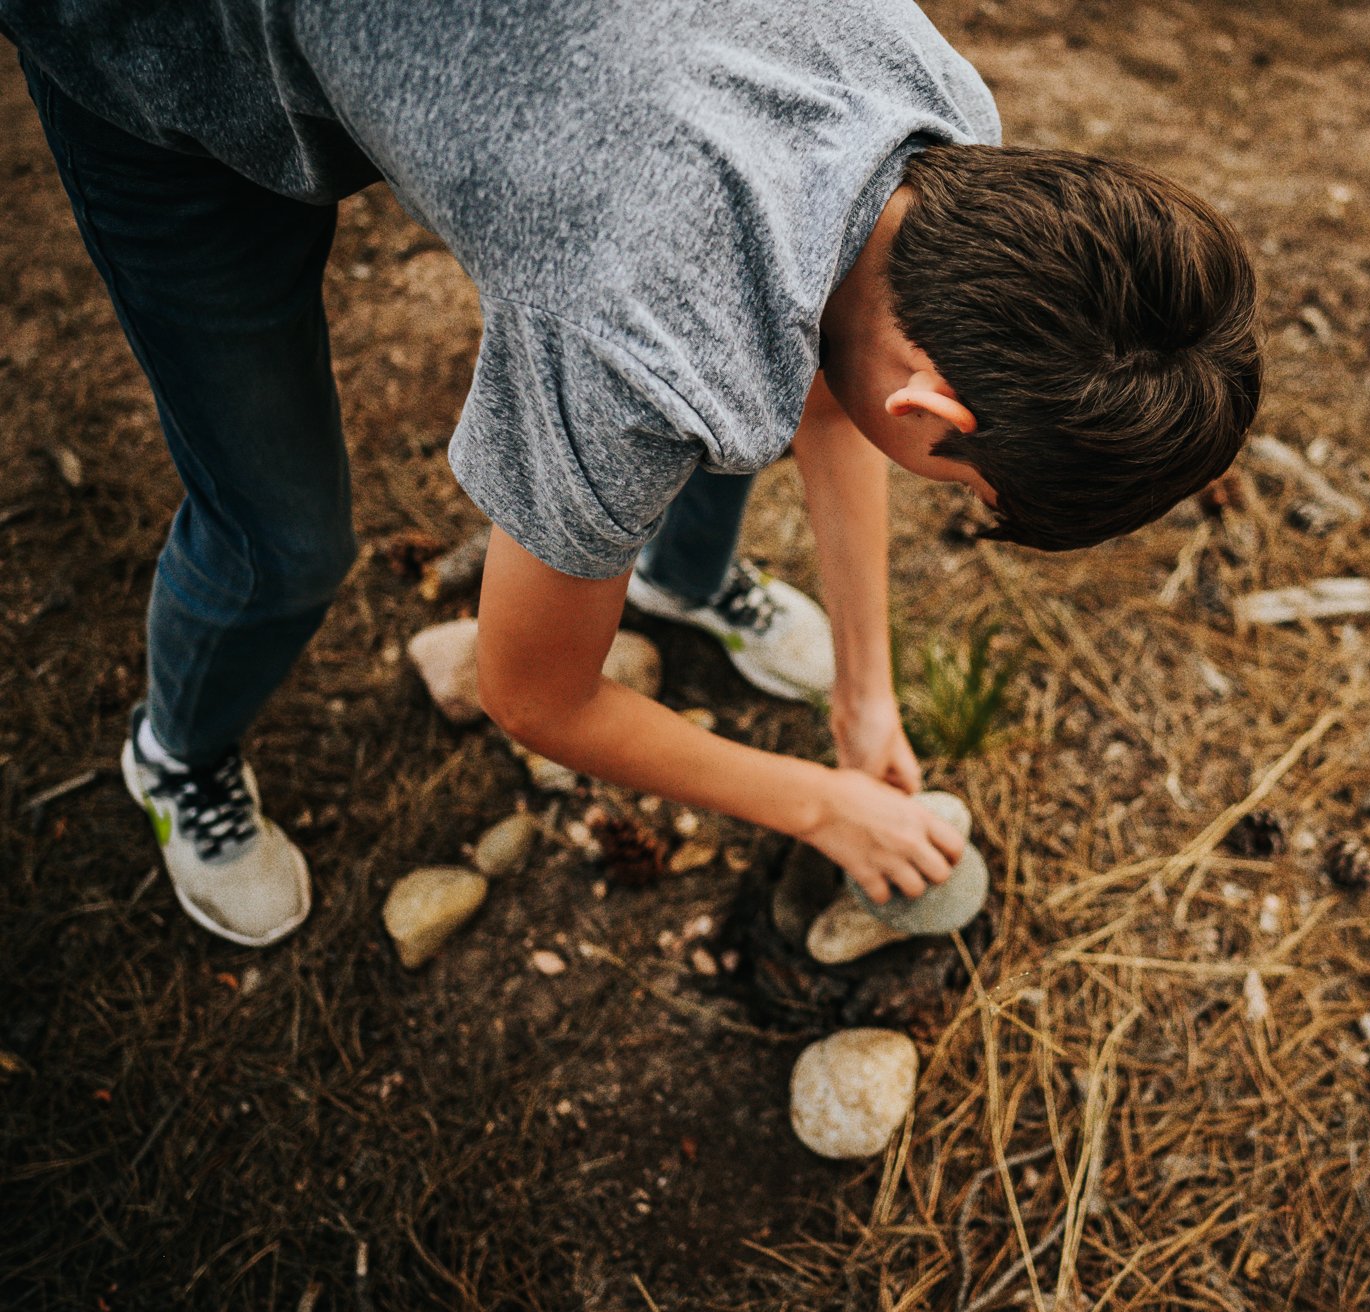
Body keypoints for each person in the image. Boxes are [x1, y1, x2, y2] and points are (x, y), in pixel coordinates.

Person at [3, 0, 1262, 948]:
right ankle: (176, 754)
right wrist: (819, 807)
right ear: (931, 408)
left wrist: (864, 703)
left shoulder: (941, 123)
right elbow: (534, 692)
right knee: (279, 537)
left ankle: (675, 583)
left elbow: (840, 373)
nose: (950, 494)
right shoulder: (640, 326)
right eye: (965, 488)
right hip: (165, 46)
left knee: (743, 372)